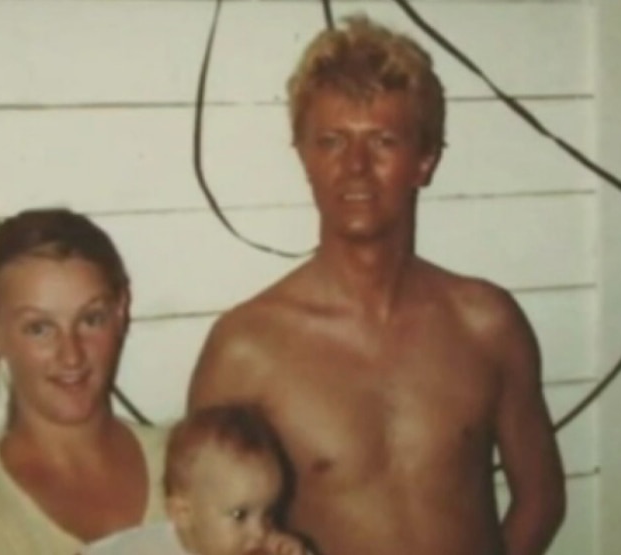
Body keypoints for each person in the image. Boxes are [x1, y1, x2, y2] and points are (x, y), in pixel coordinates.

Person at [188, 15, 566, 555]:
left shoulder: (487, 324)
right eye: (333, 142)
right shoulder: (245, 349)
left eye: (383, 141)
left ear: (425, 160)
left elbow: (541, 497)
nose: (356, 167)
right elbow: (202, 533)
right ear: (304, 157)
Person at [0, 208, 169, 555]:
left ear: (120, 311)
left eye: (91, 319)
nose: (72, 355)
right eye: (39, 328)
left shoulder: (189, 462)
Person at [82, 404, 307, 555]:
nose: (260, 533)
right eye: (240, 515)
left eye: (268, 514)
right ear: (183, 513)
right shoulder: (145, 549)